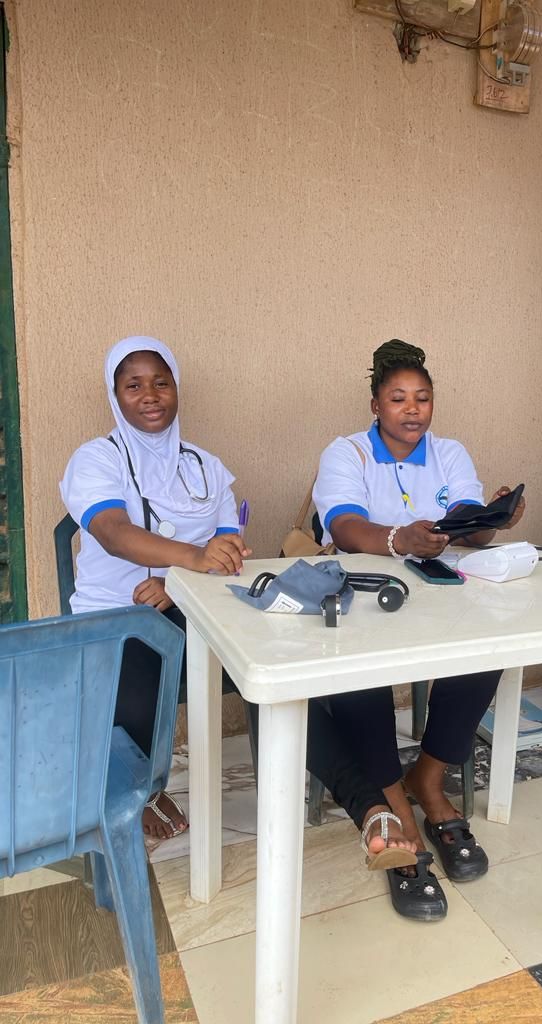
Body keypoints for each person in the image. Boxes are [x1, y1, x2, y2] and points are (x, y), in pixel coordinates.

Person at [60, 336, 418, 868]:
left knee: (269, 676)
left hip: (193, 612)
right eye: (133, 385)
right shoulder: (95, 459)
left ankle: (368, 808)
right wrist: (190, 560)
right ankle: (137, 795)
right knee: (137, 677)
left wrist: (180, 579)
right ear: (115, 396)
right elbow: (113, 532)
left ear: (176, 389)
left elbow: (226, 554)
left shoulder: (205, 466)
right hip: (118, 617)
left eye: (161, 382)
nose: (150, 395)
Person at [312, 339, 525, 920]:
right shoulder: (348, 453)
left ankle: (428, 778)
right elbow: (342, 523)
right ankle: (391, 801)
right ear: (375, 403)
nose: (412, 410)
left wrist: (491, 520)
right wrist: (396, 539)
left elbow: (467, 526)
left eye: (423, 398)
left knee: (487, 648)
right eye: (398, 398)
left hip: (437, 590)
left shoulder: (449, 453)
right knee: (360, 668)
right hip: (364, 594)